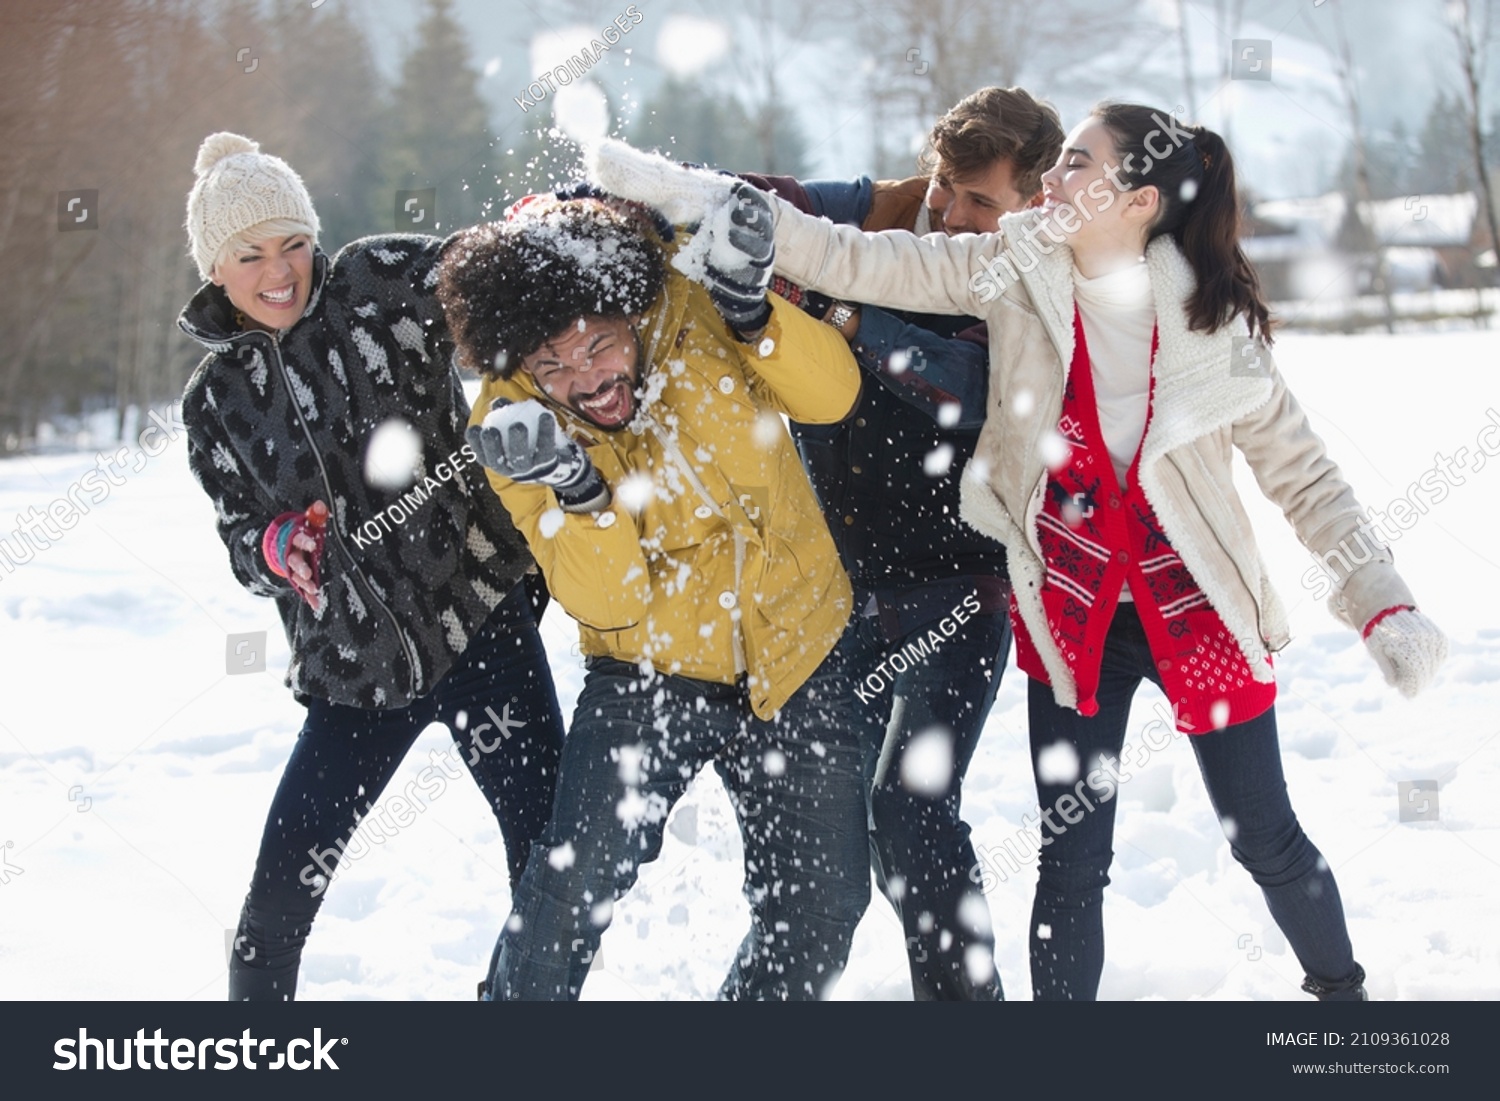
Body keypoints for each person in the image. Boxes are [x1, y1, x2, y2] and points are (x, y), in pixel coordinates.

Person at [589, 103, 1449, 1001]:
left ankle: (1345, 1002)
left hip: (1200, 615)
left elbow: (1305, 478)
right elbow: (851, 254)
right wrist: (691, 194)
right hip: (1071, 618)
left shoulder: (1212, 332)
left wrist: (1379, 598)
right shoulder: (1015, 266)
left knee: (1263, 836)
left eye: (1077, 164)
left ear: (1137, 200)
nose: (1052, 180)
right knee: (1073, 860)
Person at [437, 191, 874, 1000]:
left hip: (795, 647)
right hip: (648, 668)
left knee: (823, 908)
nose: (585, 382)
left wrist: (754, 318)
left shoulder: (700, 300)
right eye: (553, 365)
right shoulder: (512, 423)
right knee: (564, 905)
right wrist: (578, 492)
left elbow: (834, 395)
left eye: (599, 346)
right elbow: (609, 603)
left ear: (631, 310)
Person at [177, 132, 565, 1000]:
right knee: (272, 916)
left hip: (479, 622)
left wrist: (555, 221)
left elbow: (489, 276)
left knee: (553, 874)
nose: (281, 271)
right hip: (354, 673)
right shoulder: (215, 404)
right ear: (214, 268)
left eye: (292, 244)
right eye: (250, 255)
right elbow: (242, 539)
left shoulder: (376, 282)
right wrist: (281, 549)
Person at [734, 86, 1064, 1000]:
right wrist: (634, 199)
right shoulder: (875, 210)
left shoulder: (1037, 276)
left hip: (958, 582)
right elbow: (759, 196)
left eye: (981, 203)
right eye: (947, 188)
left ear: (1032, 203)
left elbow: (962, 383)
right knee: (811, 834)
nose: (951, 218)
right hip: (832, 586)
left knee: (912, 807)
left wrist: (837, 312)